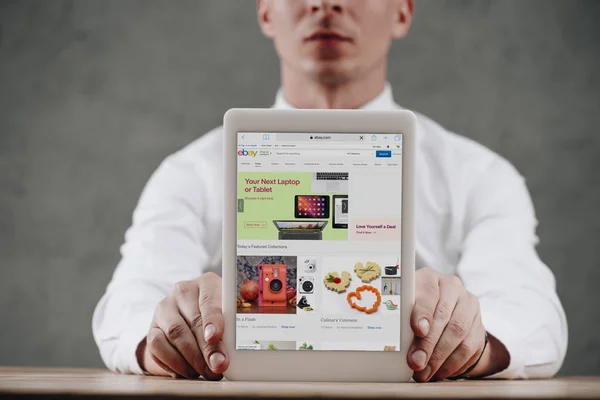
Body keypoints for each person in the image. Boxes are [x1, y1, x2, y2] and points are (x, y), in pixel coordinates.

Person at [93, 0, 567, 382]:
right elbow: (128, 309)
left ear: (402, 11)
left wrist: (474, 341)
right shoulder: (189, 172)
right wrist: (166, 336)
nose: (326, 4)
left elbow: (533, 316)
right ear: (264, 11)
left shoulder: (479, 175)